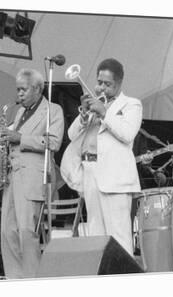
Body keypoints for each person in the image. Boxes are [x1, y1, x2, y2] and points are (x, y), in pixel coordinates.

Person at [60, 58, 142, 256]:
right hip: (90, 174)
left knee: (119, 237)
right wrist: (83, 115)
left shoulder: (132, 105)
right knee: (96, 237)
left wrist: (104, 112)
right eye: (99, 82)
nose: (101, 88)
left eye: (108, 84)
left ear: (119, 84)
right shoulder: (93, 107)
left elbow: (127, 134)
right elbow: (71, 136)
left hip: (115, 178)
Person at [0, 68, 64, 279]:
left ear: (36, 88)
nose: (19, 95)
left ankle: (33, 280)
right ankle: (15, 279)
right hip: (12, 177)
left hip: (34, 178)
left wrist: (20, 138)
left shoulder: (53, 110)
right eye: (17, 90)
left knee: (27, 231)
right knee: (8, 232)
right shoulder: (18, 113)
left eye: (23, 90)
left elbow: (53, 142)